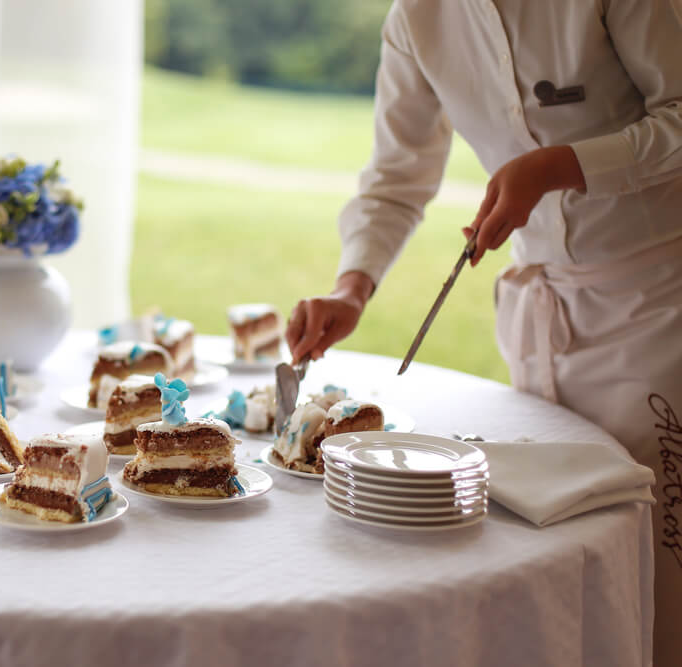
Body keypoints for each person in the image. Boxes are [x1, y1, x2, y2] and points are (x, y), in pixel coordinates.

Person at [285, 1, 682, 663]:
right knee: (561, 550)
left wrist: (560, 166)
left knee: (661, 564)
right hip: (540, 325)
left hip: (658, 304)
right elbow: (396, 177)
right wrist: (350, 288)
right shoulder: (416, 18)